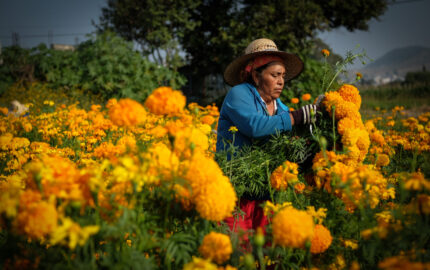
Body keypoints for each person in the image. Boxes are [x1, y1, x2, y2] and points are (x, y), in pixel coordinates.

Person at [216, 38, 319, 245]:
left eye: (282, 75)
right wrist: (296, 117)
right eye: (274, 75)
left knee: (268, 253)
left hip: (265, 194)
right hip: (235, 191)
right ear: (255, 75)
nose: (281, 81)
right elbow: (256, 126)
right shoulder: (239, 95)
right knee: (237, 252)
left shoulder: (279, 106)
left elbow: (287, 140)